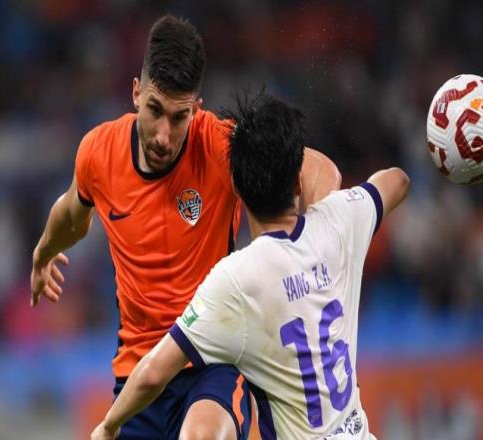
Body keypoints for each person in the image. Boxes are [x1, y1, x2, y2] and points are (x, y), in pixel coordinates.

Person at [30, 15, 341, 440]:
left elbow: (320, 170)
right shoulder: (98, 153)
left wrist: (312, 247)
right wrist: (44, 252)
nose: (163, 135)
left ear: (196, 108)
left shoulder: (219, 145)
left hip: (212, 364)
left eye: (179, 118)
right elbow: (71, 214)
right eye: (154, 111)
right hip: (138, 379)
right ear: (136, 93)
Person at [90, 90, 410, 440]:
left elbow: (153, 374)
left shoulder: (237, 279)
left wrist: (108, 426)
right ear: (297, 181)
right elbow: (397, 180)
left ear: (237, 189)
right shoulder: (339, 221)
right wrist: (324, 222)